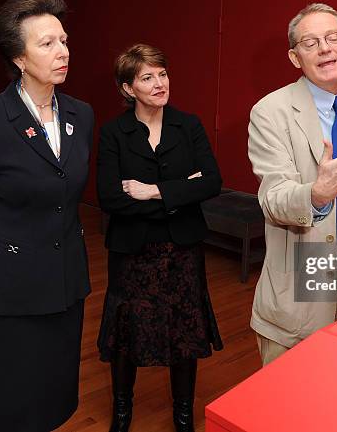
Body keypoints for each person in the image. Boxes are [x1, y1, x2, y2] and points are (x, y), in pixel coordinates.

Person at [0, 0, 93, 431]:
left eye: (64, 40)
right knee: (1, 406)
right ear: (18, 57)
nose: (62, 51)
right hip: (7, 292)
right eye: (47, 43)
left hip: (65, 283)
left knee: (51, 396)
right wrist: (5, 257)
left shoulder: (80, 114)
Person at [247, 3, 337, 366]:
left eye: (332, 37)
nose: (325, 48)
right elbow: (273, 199)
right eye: (310, 43)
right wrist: (318, 193)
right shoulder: (269, 112)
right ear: (295, 58)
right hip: (301, 296)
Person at [97, 43, 223, 432]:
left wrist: (154, 191)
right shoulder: (113, 133)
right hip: (132, 251)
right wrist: (181, 191)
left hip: (182, 249)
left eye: (163, 74)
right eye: (147, 77)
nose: (159, 84)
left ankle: (183, 413)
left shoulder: (189, 125)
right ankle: (123, 410)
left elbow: (213, 182)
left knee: (184, 331)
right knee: (127, 333)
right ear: (128, 88)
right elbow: (111, 197)